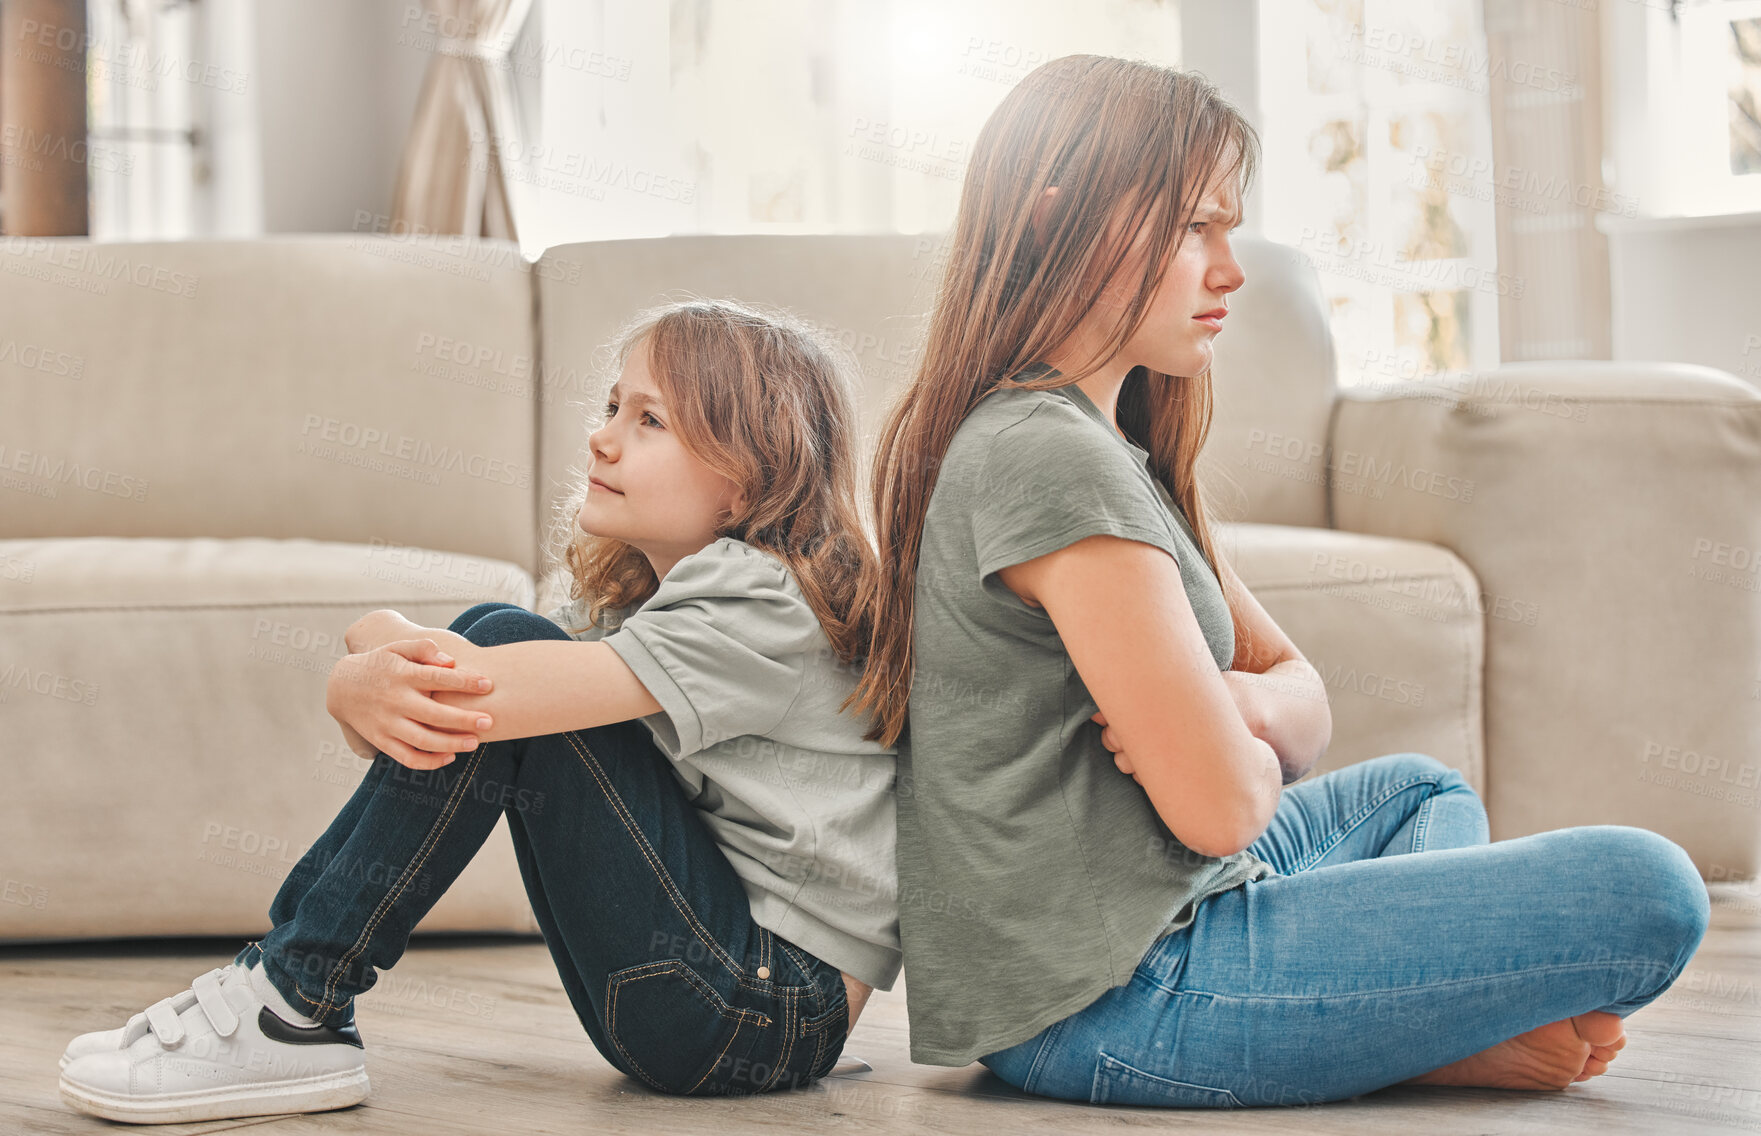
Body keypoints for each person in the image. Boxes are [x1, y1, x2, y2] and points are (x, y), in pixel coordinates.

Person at [845, 54, 1709, 1108]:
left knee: (1422, 790)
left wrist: (1241, 703)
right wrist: (1238, 740)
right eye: (1193, 228)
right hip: (1121, 992)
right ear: (1053, 219)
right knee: (1652, 888)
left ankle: (1384, 1019)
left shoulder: (1110, 446)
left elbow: (1302, 696)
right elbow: (1221, 805)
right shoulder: (1043, 455)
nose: (1231, 269)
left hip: (1160, 918)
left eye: (1230, 228)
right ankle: (1419, 1030)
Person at [59, 298, 900, 1123]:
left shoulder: (761, 598)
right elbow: (423, 728)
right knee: (499, 659)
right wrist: (367, 684)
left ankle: (295, 998)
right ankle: (288, 993)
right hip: (716, 997)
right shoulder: (644, 607)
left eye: (651, 422)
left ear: (747, 472)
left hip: (759, 1009)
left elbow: (471, 683)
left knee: (499, 642)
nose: (601, 435)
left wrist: (366, 646)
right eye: (613, 405)